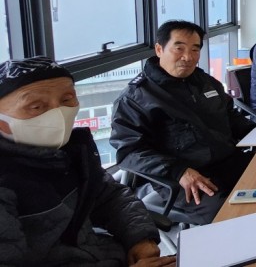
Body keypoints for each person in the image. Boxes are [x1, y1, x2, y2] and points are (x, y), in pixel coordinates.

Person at [0, 56, 174, 266]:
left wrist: (140, 238)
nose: (57, 113)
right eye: (36, 106)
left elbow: (110, 197)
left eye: (67, 100)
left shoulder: (72, 151)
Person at [110, 20, 256, 225]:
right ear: (159, 49)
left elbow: (231, 117)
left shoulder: (205, 82)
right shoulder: (136, 98)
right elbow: (129, 151)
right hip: (185, 176)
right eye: (179, 48)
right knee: (231, 217)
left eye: (195, 49)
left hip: (228, 161)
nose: (188, 57)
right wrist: (178, 171)